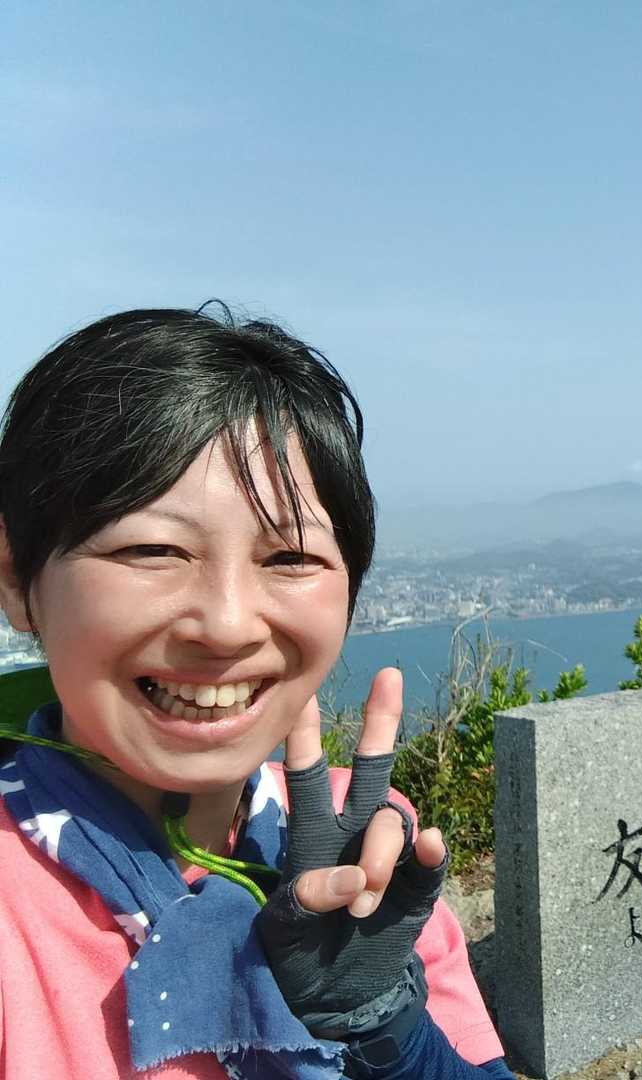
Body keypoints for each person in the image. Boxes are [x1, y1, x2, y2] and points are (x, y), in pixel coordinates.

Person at [0, 305, 518, 1078]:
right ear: (16, 578)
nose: (228, 625)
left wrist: (385, 1025)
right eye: (152, 548)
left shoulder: (361, 841)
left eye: (290, 558)